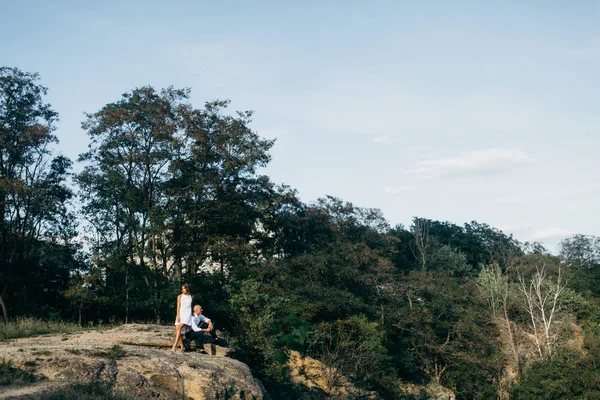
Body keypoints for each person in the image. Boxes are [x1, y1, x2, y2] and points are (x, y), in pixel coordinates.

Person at [171, 283, 193, 352]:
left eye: (183, 288)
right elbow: (178, 307)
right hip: (181, 314)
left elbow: (191, 307)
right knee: (177, 329)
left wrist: (192, 314)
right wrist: (178, 316)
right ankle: (182, 346)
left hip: (187, 315)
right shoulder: (180, 296)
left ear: (187, 288)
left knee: (179, 327)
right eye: (182, 288)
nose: (182, 290)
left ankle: (174, 346)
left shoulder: (191, 297)